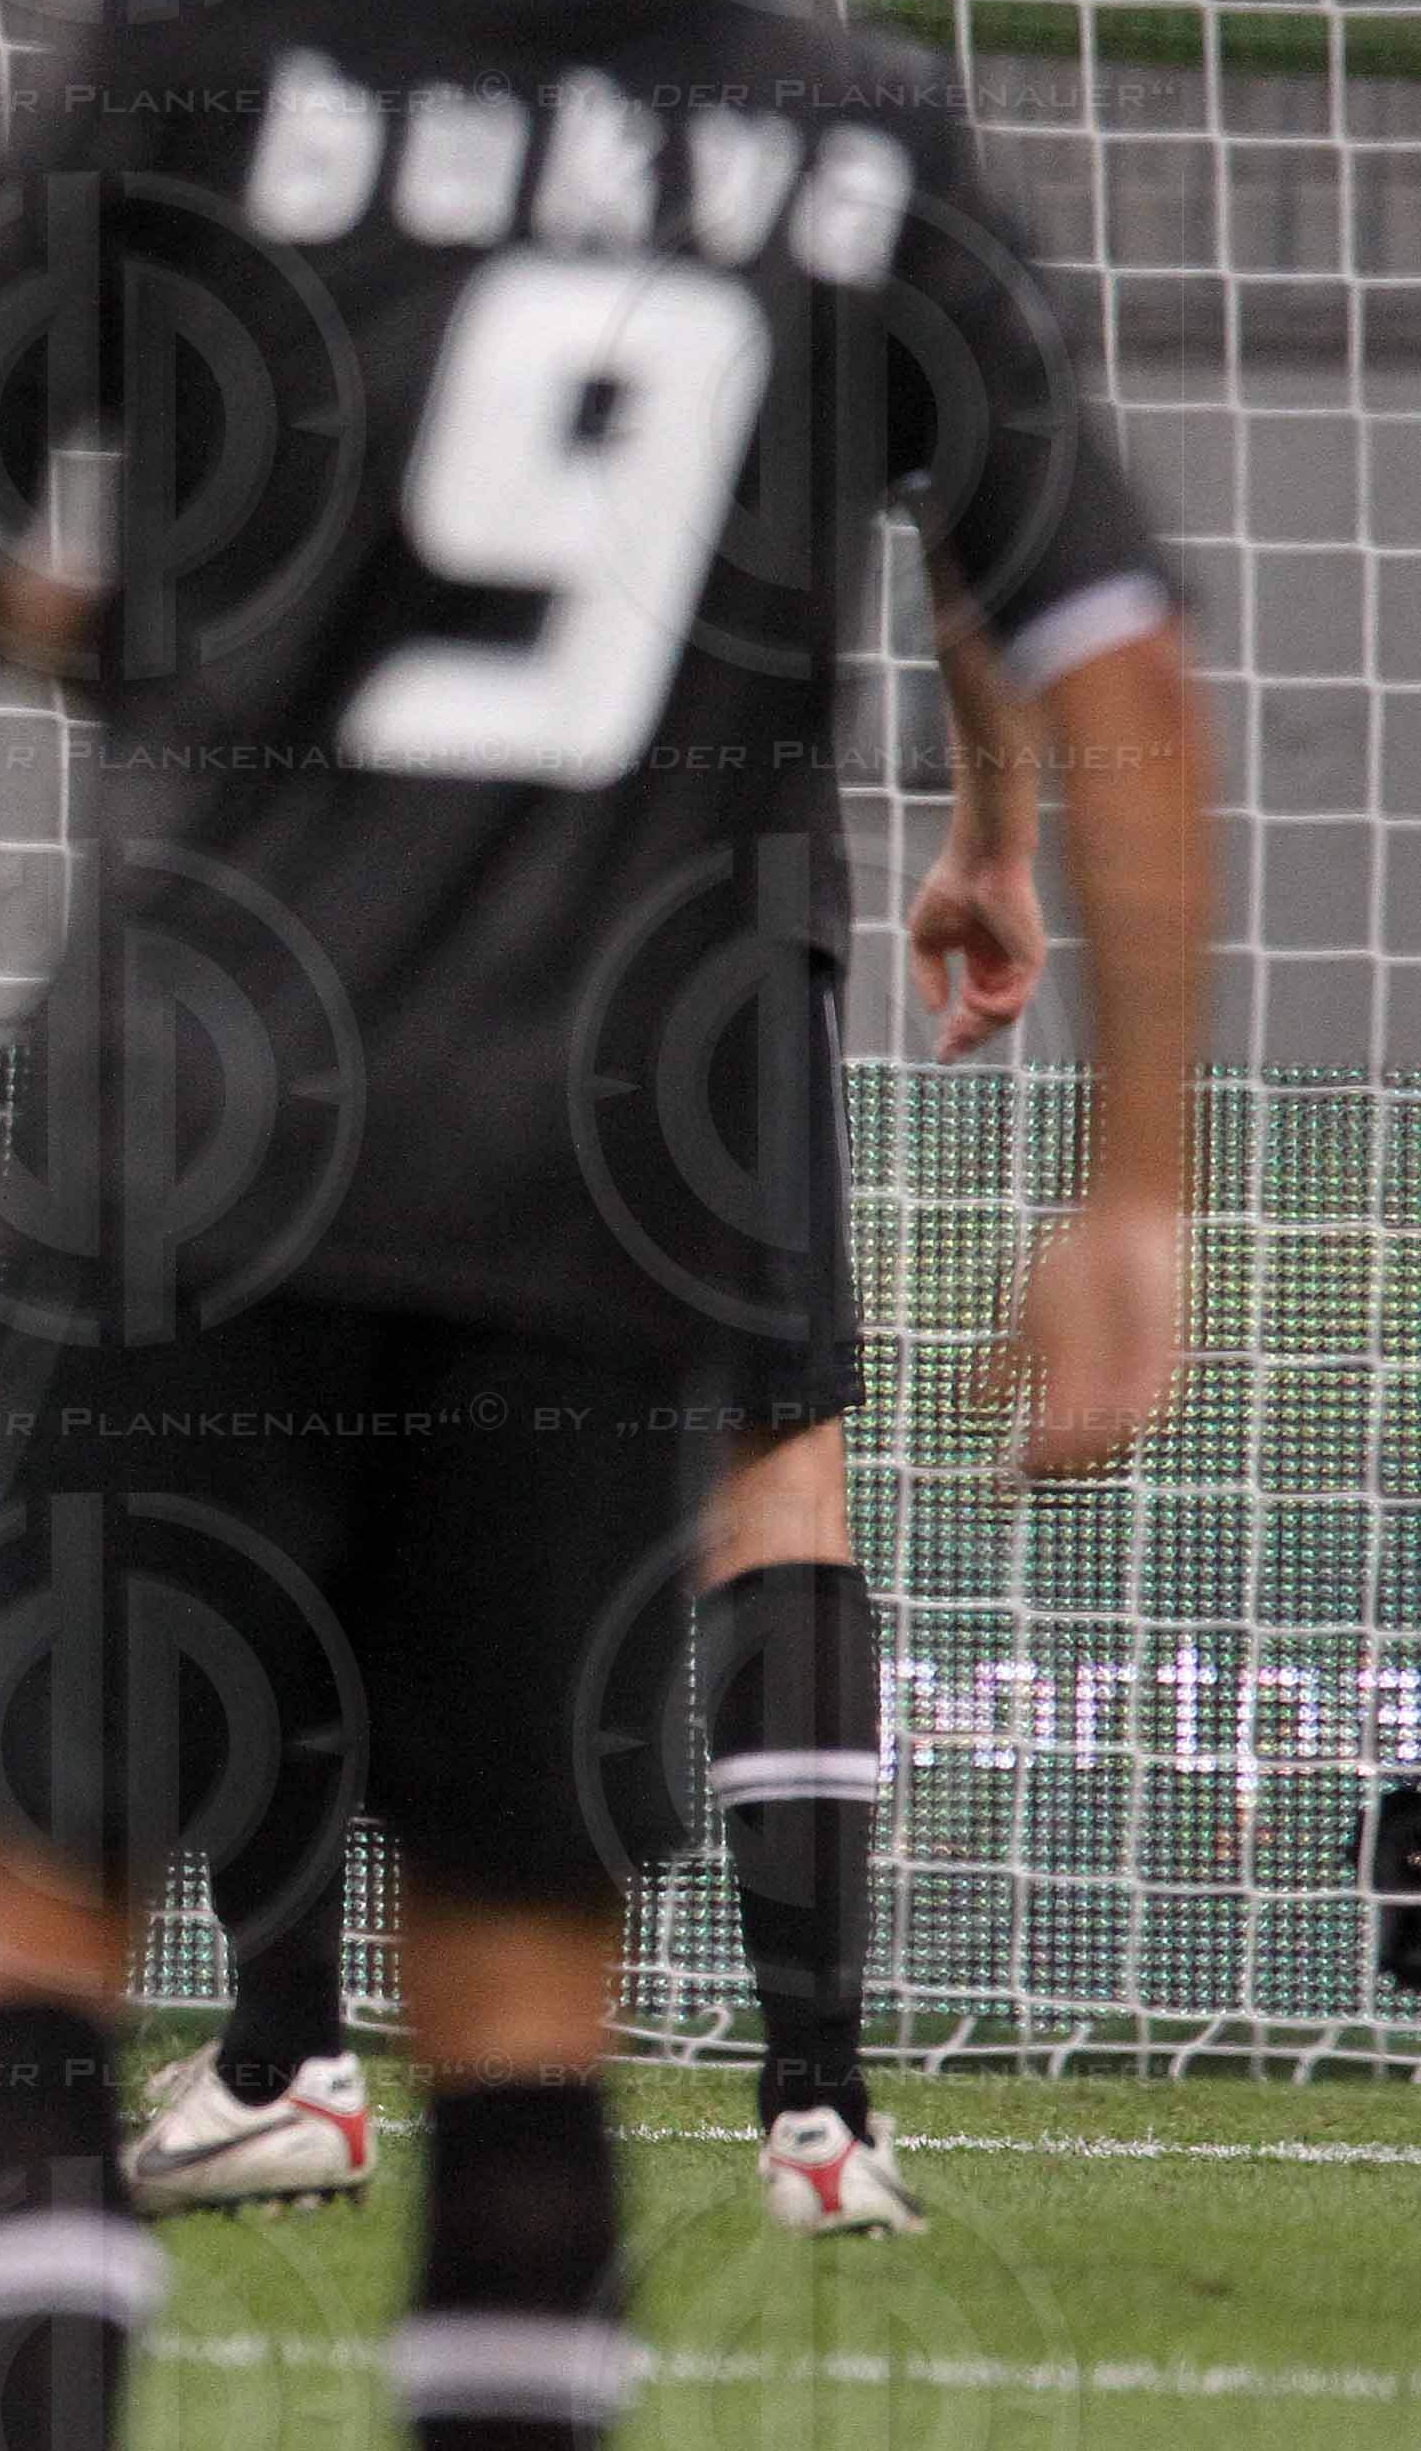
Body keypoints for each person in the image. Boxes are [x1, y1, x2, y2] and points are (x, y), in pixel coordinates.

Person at [0, 0, 1206, 2451]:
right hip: (608, 1162)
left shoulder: (205, 43)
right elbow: (1104, 645)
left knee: (31, 1925)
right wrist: (1130, 1179)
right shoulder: (849, 129)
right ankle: (771, 2121)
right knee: (527, 2012)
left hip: (200, 1120)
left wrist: (138, 634)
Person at [125, 602, 1039, 2243]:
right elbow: (980, 567)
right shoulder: (836, 325)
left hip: (386, 882)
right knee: (774, 1460)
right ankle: (820, 2108)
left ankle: (286, 2062)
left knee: (300, 1429)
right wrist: (991, 830)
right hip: (717, 885)